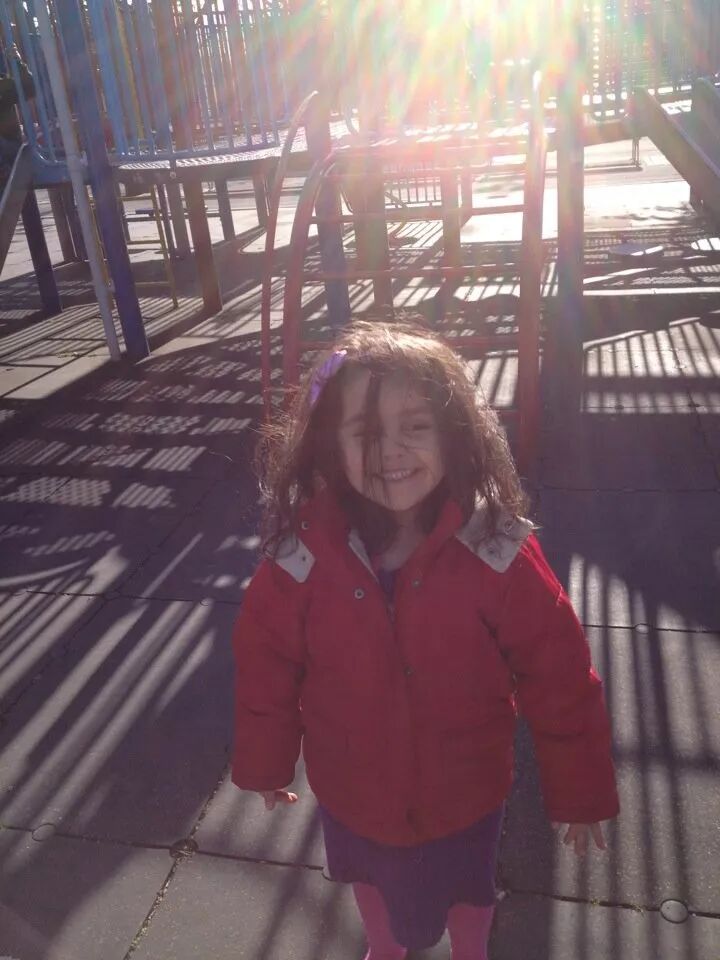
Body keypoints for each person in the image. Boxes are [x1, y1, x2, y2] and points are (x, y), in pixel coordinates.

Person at [232, 321, 619, 960]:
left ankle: (471, 950)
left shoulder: (493, 548)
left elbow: (558, 670)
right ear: (331, 444)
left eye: (416, 425)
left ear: (453, 433)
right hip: (353, 784)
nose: (392, 451)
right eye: (366, 433)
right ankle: (385, 948)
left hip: (464, 787)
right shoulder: (304, 552)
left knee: (469, 884)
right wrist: (266, 761)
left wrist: (580, 790)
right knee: (366, 875)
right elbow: (266, 658)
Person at [0, 44, 34, 182]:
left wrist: (17, 63)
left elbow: (29, 89)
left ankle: (3, 171)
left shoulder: (3, 85)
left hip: (9, 147)